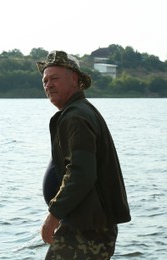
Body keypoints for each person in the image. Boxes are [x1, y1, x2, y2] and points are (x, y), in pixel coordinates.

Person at [37, 50, 131, 259]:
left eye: (54, 78)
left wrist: (53, 215)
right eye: (45, 80)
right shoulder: (80, 111)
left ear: (74, 80)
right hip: (85, 223)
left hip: (86, 229)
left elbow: (81, 174)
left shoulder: (76, 117)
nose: (48, 85)